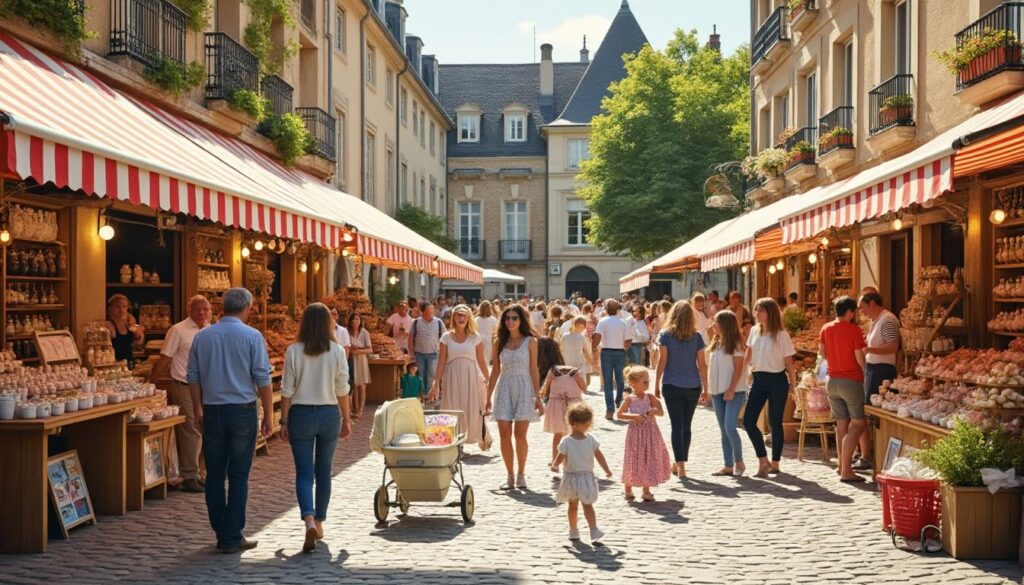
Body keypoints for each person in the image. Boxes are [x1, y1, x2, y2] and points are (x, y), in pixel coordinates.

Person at [187, 288, 273, 553]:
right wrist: (268, 414)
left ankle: (221, 530)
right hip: (242, 411)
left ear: (222, 307)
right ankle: (232, 534)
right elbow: (263, 378)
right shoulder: (252, 336)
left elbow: (193, 376)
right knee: (238, 475)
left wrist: (198, 408)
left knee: (214, 475)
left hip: (213, 410)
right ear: (247, 307)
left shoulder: (203, 336)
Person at [279, 303, 351, 553]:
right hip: (329, 412)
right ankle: (319, 523)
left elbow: (286, 389)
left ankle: (308, 519)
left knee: (304, 473)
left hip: (301, 414)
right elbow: (342, 388)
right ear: (329, 323)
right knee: (324, 471)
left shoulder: (294, 350)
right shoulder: (337, 351)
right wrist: (347, 418)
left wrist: (284, 420)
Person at [150, 295, 211, 493]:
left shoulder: (211, 329)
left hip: (207, 387)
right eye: (197, 309)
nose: (201, 313)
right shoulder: (178, 330)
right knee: (191, 427)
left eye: (205, 309)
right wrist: (152, 382)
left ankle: (202, 473)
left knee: (207, 428)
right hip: (184, 385)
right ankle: (189, 475)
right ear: (189, 311)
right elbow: (165, 358)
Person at [486, 304, 543, 490]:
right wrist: (487, 397)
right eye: (507, 318)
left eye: (514, 318)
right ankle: (509, 475)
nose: (510, 321)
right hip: (504, 387)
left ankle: (521, 474)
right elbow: (495, 371)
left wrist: (538, 396)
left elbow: (534, 369)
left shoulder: (531, 342)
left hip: (524, 388)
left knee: (520, 435)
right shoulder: (498, 342)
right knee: (504, 434)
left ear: (521, 320)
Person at [742, 298, 797, 478]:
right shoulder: (754, 331)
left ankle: (775, 462)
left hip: (777, 381)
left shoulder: (781, 335)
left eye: (761, 310)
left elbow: (789, 363)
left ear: (770, 312)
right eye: (756, 310)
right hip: (758, 380)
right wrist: (741, 376)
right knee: (749, 421)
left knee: (775, 422)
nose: (756, 313)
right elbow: (748, 354)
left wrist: (793, 384)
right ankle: (763, 459)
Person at [653, 300, 708, 479]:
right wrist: (706, 388)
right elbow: (702, 365)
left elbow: (662, 361)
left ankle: (680, 465)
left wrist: (656, 383)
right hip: (692, 385)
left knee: (676, 426)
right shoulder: (697, 337)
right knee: (686, 426)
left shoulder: (665, 335)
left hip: (672, 384)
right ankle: (681, 463)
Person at [820, 296, 868, 483]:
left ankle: (841, 465)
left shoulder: (826, 328)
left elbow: (822, 353)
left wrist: (836, 361)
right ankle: (847, 470)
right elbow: (859, 358)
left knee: (841, 424)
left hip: (832, 380)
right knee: (858, 424)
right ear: (849, 312)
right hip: (851, 380)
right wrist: (865, 371)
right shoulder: (853, 330)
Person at [428, 305, 490, 449]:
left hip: (471, 377)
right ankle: (454, 440)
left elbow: (481, 360)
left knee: (472, 408)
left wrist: (488, 380)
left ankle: (479, 435)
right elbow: (441, 361)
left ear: (468, 318)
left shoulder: (475, 337)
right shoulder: (446, 338)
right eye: (458, 315)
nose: (461, 318)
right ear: (454, 317)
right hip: (452, 377)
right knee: (452, 407)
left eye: (464, 315)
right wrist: (435, 383)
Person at [551, 402, 612, 543]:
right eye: (584, 422)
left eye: (588, 421)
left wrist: (607, 469)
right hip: (571, 477)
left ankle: (593, 530)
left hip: (586, 477)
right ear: (573, 423)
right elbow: (561, 455)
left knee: (587, 504)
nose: (587, 425)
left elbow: (599, 456)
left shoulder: (591, 440)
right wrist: (555, 465)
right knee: (572, 506)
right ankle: (573, 530)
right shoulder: (566, 441)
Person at [617, 366, 671, 501]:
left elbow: (661, 412)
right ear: (633, 383)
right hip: (635, 435)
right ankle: (628, 486)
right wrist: (634, 417)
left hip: (650, 434)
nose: (647, 384)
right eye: (644, 382)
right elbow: (619, 414)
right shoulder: (630, 399)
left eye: (648, 381)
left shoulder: (650, 397)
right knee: (634, 459)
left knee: (648, 458)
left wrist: (655, 411)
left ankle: (646, 490)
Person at [857, 290, 899, 468]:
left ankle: (874, 453)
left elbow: (893, 346)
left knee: (875, 413)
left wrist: (869, 350)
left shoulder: (887, 319)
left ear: (872, 303)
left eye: (862, 307)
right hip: (873, 368)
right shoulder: (876, 320)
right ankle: (868, 452)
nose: (861, 311)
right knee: (868, 410)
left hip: (882, 370)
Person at [706, 310, 748, 477]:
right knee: (723, 430)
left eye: (716, 322)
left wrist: (731, 389)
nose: (713, 325)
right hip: (717, 392)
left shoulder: (736, 344)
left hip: (734, 391)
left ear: (724, 324)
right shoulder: (716, 342)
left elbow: (738, 369)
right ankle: (728, 465)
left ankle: (739, 462)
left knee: (730, 427)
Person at [540, 344, 586, 468]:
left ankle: (555, 460)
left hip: (556, 404)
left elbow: (546, 390)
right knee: (576, 432)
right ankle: (575, 460)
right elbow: (584, 387)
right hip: (573, 404)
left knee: (558, 433)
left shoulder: (553, 371)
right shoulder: (574, 371)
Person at [593, 299, 631, 421]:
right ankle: (618, 400)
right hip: (619, 352)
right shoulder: (623, 322)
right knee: (620, 379)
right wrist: (623, 347)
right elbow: (628, 340)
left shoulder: (603, 321)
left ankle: (610, 408)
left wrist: (593, 349)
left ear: (606, 309)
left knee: (608, 382)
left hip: (607, 352)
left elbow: (597, 338)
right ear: (618, 309)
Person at [412, 302, 446, 409]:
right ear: (423, 311)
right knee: (420, 376)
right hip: (419, 353)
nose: (431, 311)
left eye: (432, 309)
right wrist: (411, 352)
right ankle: (422, 396)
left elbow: (445, 337)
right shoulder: (416, 322)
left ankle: (429, 396)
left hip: (433, 353)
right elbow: (410, 337)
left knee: (431, 375)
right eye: (429, 310)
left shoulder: (439, 322)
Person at [105, 293, 144, 368]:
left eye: (124, 307)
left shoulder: (127, 324)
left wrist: (138, 334)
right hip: (116, 367)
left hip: (129, 364)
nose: (121, 310)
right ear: (110, 309)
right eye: (118, 307)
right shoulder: (109, 325)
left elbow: (138, 342)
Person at [348, 313, 372, 419]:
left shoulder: (364, 332)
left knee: (362, 385)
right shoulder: (347, 332)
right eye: (353, 319)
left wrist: (358, 351)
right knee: (354, 385)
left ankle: (361, 410)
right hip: (351, 360)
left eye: (357, 319)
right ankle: (356, 409)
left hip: (361, 360)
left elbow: (370, 349)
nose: (355, 322)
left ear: (360, 321)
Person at [560, 316, 594, 381]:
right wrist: (592, 363)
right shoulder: (582, 337)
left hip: (566, 362)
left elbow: (560, 349)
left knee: (568, 382)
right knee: (579, 383)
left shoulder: (564, 336)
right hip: (579, 363)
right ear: (582, 326)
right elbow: (586, 353)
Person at [476, 301, 497, 366]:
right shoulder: (493, 319)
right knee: (486, 362)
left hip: (479, 342)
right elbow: (494, 334)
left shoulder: (476, 319)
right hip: (487, 342)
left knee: (479, 362)